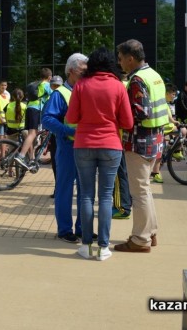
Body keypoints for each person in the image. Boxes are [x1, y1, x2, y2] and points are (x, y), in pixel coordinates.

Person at [67, 47, 133, 261]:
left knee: (86, 195)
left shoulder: (81, 85)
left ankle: (86, 245)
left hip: (84, 143)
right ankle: (103, 247)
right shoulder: (118, 86)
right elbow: (128, 122)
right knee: (105, 196)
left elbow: (71, 118)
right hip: (111, 145)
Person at [115, 39, 169, 253]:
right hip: (154, 139)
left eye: (120, 59)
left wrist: (118, 117)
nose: (119, 63)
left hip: (139, 141)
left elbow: (139, 113)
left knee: (139, 192)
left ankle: (140, 239)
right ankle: (151, 232)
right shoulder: (154, 75)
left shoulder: (137, 80)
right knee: (145, 190)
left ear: (130, 58)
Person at [41, 53, 87, 243]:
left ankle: (82, 229)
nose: (86, 73)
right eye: (83, 70)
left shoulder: (86, 90)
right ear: (71, 71)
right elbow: (47, 119)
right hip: (68, 146)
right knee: (65, 189)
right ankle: (65, 229)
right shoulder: (60, 94)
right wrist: (67, 131)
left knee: (86, 190)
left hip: (86, 147)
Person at [14, 68, 53, 169]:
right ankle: (21, 155)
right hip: (36, 109)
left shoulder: (37, 84)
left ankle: (31, 159)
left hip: (30, 108)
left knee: (32, 134)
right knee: (32, 134)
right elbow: (54, 96)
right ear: (49, 77)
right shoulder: (46, 85)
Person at [150, 84, 186, 183]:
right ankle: (155, 173)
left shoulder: (166, 103)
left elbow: (168, 116)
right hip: (161, 128)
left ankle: (176, 151)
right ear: (167, 93)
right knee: (159, 153)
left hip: (166, 127)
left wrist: (174, 122)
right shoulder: (161, 101)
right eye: (173, 94)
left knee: (182, 131)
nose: (174, 96)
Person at [47, 75, 64, 198]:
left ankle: (62, 188)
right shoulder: (51, 97)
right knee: (55, 162)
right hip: (55, 134)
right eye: (54, 85)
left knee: (60, 163)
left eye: (58, 85)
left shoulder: (65, 95)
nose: (55, 87)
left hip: (63, 135)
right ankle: (58, 187)